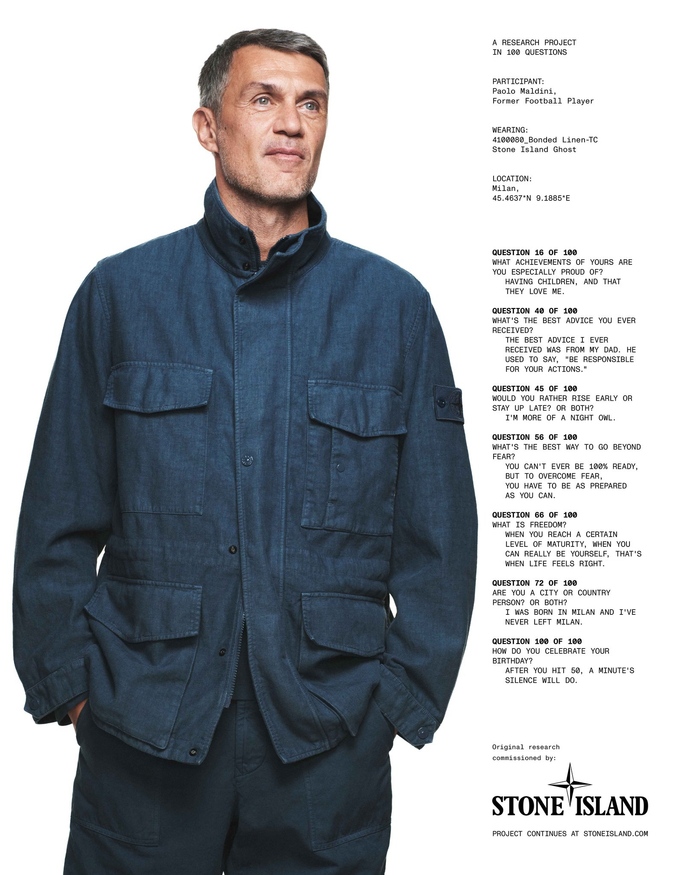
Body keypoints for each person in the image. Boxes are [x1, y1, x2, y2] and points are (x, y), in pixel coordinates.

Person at [12, 27, 477, 874]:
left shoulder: (396, 310)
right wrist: (72, 688)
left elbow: (440, 534)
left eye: (311, 103)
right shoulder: (119, 296)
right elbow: (57, 513)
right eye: (263, 99)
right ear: (208, 127)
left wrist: (397, 703)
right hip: (142, 736)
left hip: (327, 749)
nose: (291, 122)